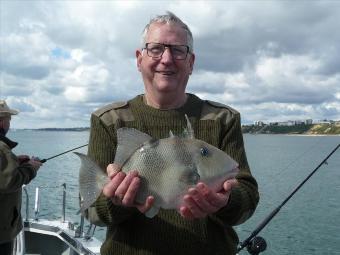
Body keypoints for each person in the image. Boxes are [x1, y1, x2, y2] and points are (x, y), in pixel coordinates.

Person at [86, 11, 259, 255]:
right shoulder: (110, 120)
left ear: (191, 62)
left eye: (178, 50)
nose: (166, 59)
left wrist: (226, 202)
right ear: (139, 58)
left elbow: (248, 199)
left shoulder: (223, 119)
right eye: (155, 48)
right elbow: (93, 213)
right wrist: (118, 202)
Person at [0, 100, 42, 255]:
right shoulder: (1, 147)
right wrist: (32, 167)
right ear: (3, 122)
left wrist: (15, 161)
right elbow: (10, 181)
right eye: (9, 120)